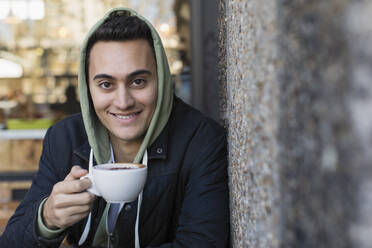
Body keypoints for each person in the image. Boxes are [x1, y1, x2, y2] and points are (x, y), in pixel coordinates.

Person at [0, 7, 229, 248]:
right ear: (87, 89)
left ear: (161, 80)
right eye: (106, 84)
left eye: (138, 81)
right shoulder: (65, 138)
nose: (123, 102)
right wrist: (47, 218)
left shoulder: (202, 142)